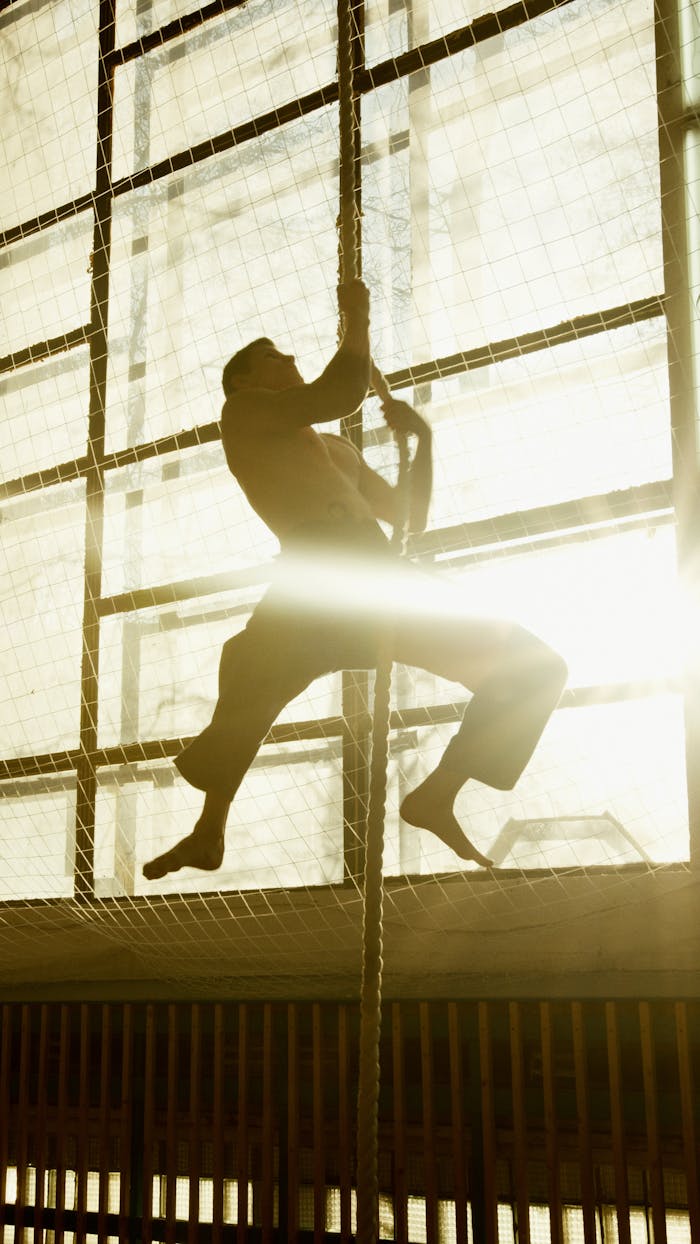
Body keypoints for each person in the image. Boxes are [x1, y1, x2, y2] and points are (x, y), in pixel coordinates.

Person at [143, 280, 567, 880]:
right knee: (248, 676)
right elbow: (339, 391)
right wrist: (356, 316)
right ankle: (211, 830)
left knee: (536, 667)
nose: (290, 357)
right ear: (243, 380)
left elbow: (408, 515)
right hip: (315, 578)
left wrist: (422, 438)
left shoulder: (337, 450)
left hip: (375, 576)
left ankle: (437, 793)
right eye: (274, 356)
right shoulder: (244, 414)